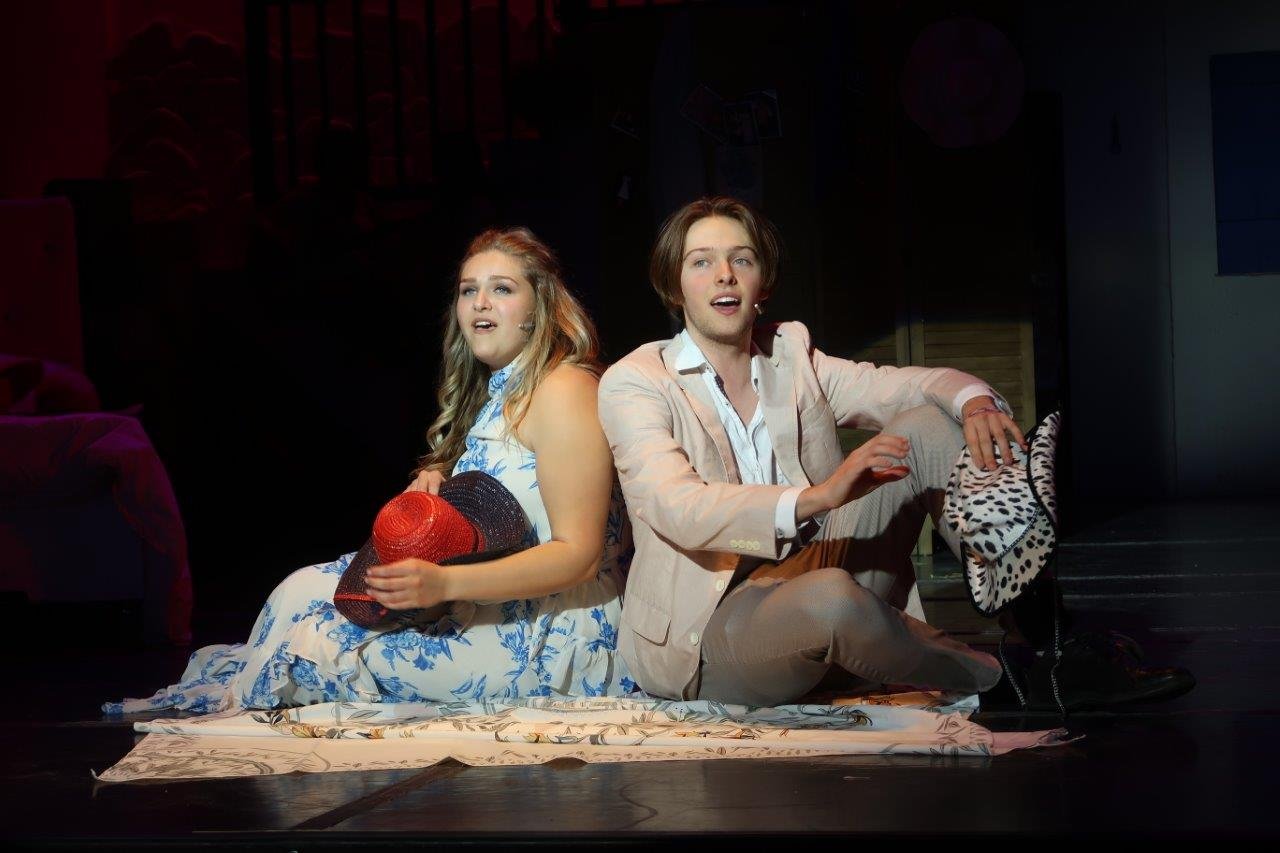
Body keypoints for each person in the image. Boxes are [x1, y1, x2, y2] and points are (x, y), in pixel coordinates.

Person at [598, 196, 1189, 710]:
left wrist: (977, 402)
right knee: (831, 599)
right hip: (716, 625)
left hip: (821, 566)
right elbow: (676, 506)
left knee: (929, 424)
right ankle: (1012, 683)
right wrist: (818, 498)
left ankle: (1055, 637)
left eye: (741, 259)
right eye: (701, 262)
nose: (724, 274)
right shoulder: (635, 382)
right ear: (676, 286)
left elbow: (905, 386)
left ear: (763, 284)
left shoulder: (790, 355)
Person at [106, 228, 632, 714]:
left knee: (308, 652)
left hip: (552, 628)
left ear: (538, 310)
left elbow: (578, 555)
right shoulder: (501, 393)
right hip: (482, 602)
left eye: (501, 289)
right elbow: (505, 511)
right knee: (298, 591)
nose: (480, 303)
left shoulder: (564, 389)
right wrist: (440, 502)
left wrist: (445, 582)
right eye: (468, 291)